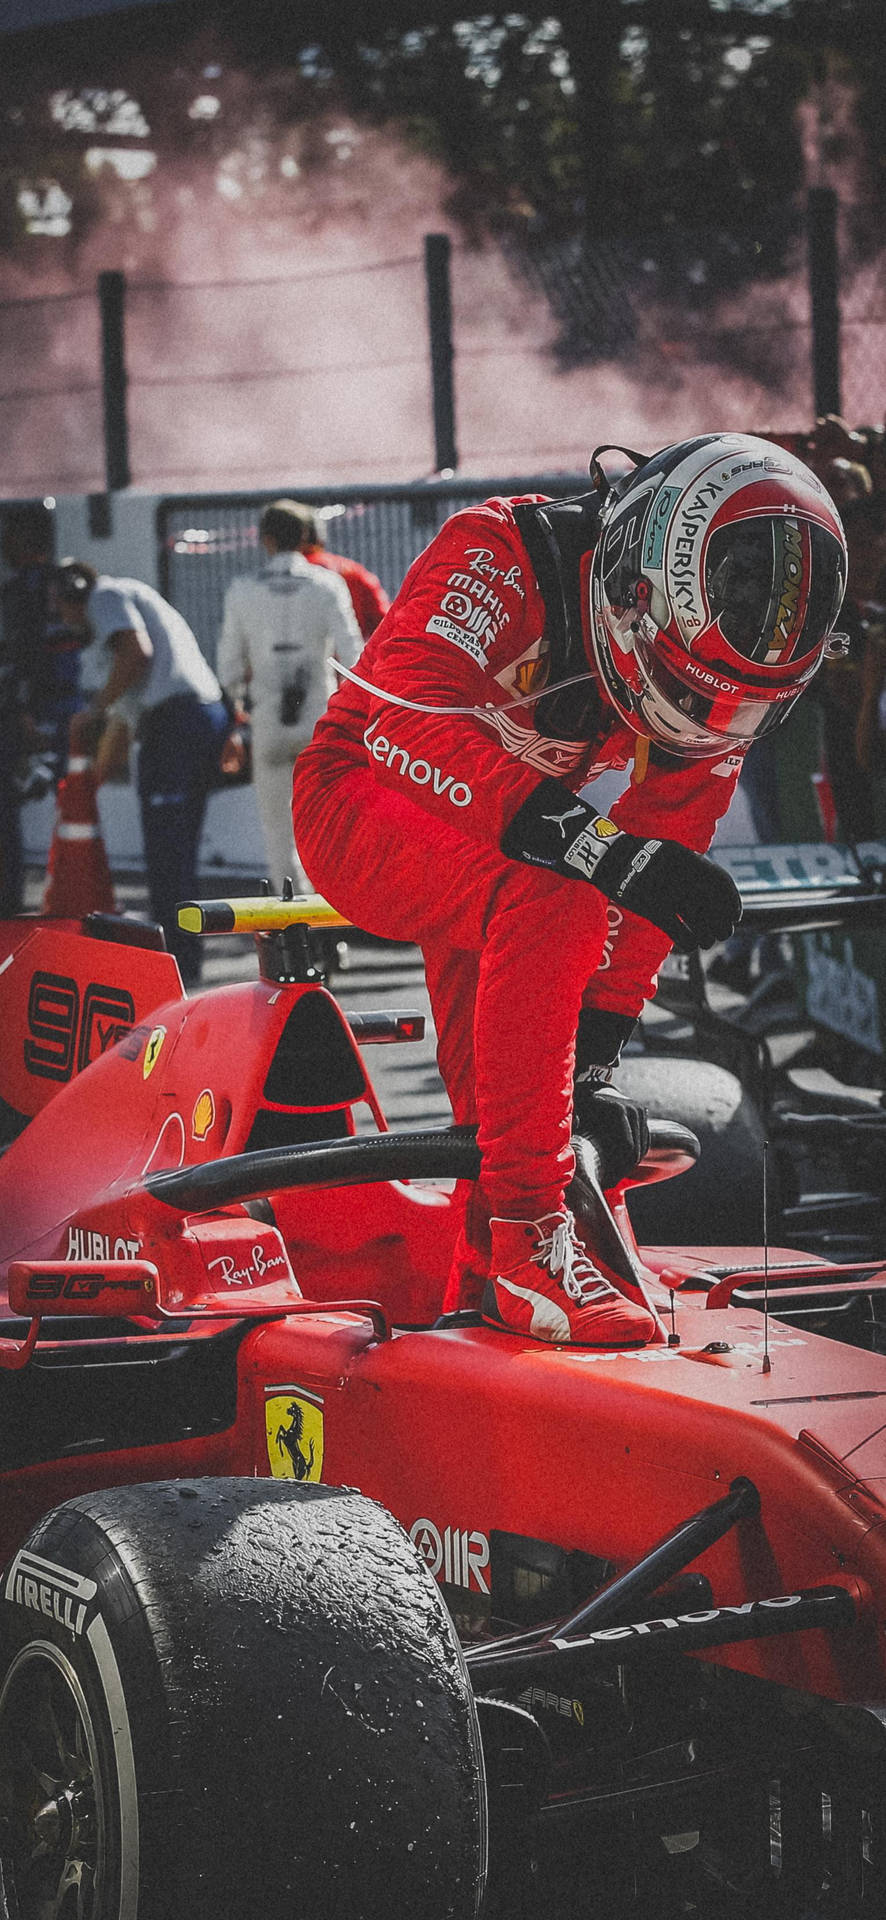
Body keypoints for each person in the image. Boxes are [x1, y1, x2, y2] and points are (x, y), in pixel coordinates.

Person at [292, 433, 848, 1347]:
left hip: (501, 840)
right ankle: (526, 1232)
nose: (706, 722)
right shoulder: (499, 554)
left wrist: (594, 1052)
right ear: (635, 582)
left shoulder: (716, 667)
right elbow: (401, 729)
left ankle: (498, 1262)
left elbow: (655, 883)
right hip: (366, 797)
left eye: (736, 712)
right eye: (688, 688)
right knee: (559, 901)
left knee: (525, 1089)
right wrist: (599, 852)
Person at [56, 561, 229, 985]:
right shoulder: (126, 603)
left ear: (73, 595)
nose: (63, 620)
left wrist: (91, 711)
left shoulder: (106, 597)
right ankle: (182, 961)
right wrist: (92, 779)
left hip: (178, 724)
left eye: (60, 609)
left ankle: (179, 966)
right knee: (173, 856)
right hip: (188, 721)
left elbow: (136, 653)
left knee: (168, 859)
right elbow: (125, 714)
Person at [217, 499, 361, 891]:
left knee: (278, 831)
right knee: (329, 828)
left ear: (265, 540)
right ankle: (334, 929)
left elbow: (228, 667)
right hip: (320, 718)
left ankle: (294, 929)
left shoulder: (242, 590)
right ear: (304, 538)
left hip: (268, 721)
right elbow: (354, 656)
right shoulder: (328, 584)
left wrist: (235, 710)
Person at [0, 503, 84, 914]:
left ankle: (13, 906)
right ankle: (71, 900)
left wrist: (22, 711)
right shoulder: (71, 580)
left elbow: (19, 656)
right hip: (74, 709)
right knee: (74, 803)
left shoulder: (17, 591)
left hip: (33, 712)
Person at [297, 504, 391, 639]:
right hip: (351, 655)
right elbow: (384, 622)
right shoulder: (352, 571)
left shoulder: (278, 578)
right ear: (320, 538)